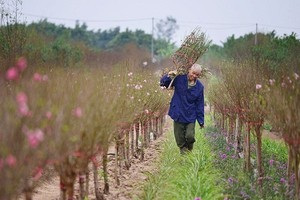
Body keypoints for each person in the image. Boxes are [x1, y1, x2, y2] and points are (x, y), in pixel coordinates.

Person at [160, 63, 205, 154]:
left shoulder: (199, 87)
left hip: (190, 114)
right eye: (193, 73)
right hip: (178, 112)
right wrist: (169, 75)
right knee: (179, 137)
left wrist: (201, 120)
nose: (194, 76)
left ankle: (189, 148)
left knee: (190, 136)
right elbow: (163, 83)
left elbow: (200, 104)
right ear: (189, 70)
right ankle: (184, 153)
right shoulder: (179, 78)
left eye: (197, 75)